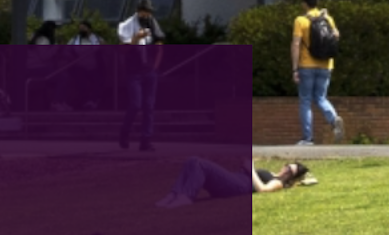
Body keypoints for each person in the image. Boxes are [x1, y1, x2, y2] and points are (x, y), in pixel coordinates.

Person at [291, 0, 342, 145]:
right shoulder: (327, 18)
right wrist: (327, 18)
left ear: (304, 3)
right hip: (326, 65)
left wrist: (294, 68)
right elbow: (336, 35)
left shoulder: (300, 20)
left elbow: (296, 44)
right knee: (320, 97)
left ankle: (308, 138)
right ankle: (334, 119)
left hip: (307, 64)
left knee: (305, 100)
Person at [154, 159, 306, 207]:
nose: (286, 170)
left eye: (290, 172)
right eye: (287, 166)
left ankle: (185, 197)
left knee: (199, 164)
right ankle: (174, 194)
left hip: (239, 186)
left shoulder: (278, 182)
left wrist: (251, 169)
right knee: (191, 161)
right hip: (235, 178)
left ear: (290, 178)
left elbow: (263, 189)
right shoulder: (272, 173)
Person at [121, 28, 162, 152]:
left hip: (149, 73)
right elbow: (123, 50)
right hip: (134, 74)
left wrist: (154, 68)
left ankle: (146, 140)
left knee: (149, 106)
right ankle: (125, 132)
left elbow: (159, 50)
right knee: (135, 104)